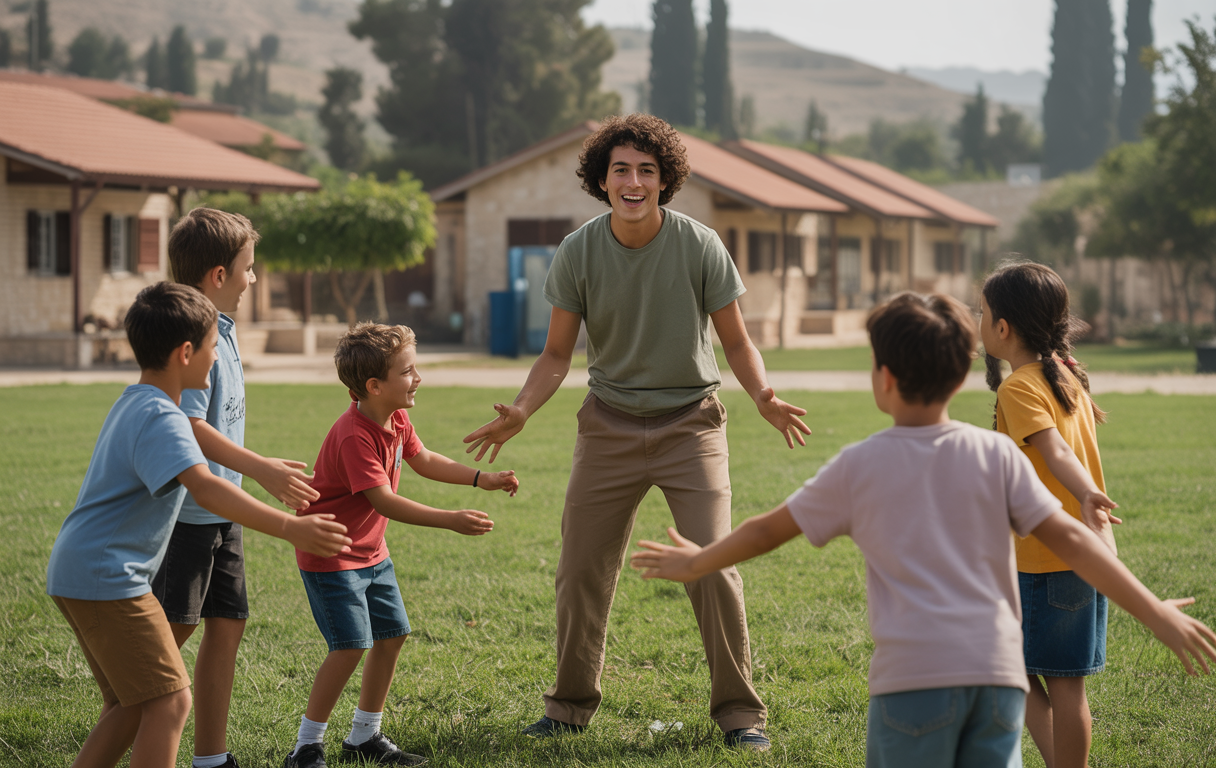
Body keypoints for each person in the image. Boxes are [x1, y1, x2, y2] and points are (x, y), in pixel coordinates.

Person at [630, 292, 1216, 768]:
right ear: (961, 375)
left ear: (883, 379)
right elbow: (1076, 541)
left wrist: (698, 562)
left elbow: (765, 530)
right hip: (997, 687)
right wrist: (1153, 613)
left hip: (912, 687)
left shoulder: (860, 465)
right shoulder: (997, 456)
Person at [462, 113, 810, 750]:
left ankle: (740, 715)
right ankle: (567, 706)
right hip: (608, 426)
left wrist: (762, 394)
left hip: (691, 426)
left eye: (646, 170)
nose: (633, 180)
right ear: (602, 179)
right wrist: (520, 409)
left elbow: (735, 339)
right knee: (579, 571)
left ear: (664, 181)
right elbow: (557, 355)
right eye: (620, 169)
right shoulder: (579, 251)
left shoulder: (700, 245)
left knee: (712, 563)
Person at [45, 282, 351, 768]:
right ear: (186, 353)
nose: (218, 357)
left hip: (82, 571)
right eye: (213, 347)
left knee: (133, 703)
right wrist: (290, 528)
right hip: (109, 579)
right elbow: (207, 488)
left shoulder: (136, 401)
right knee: (170, 701)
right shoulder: (163, 418)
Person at [285, 323, 519, 768]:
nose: (418, 378)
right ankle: (305, 747)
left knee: (392, 636)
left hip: (372, 553)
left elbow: (424, 459)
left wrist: (479, 479)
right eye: (408, 371)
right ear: (374, 386)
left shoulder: (394, 418)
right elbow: (384, 501)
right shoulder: (355, 434)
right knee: (351, 645)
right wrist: (450, 520)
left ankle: (363, 737)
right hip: (332, 555)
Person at [150, 207, 321, 768]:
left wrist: (256, 464)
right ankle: (123, 723)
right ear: (218, 275)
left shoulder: (221, 331)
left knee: (229, 622)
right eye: (249, 268)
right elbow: (191, 428)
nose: (254, 279)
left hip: (224, 512)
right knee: (168, 636)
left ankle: (211, 759)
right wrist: (264, 472)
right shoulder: (192, 337)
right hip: (189, 515)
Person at [980, 261, 1117, 768]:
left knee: (1012, 669)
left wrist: (1084, 493)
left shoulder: (1019, 387)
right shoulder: (1065, 373)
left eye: (982, 313)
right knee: (1065, 687)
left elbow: (1055, 452)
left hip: (1045, 558)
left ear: (1003, 327)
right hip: (1084, 551)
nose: (978, 323)